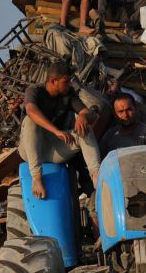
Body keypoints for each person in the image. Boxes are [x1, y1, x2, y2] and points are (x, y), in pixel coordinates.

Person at [19, 62, 100, 199]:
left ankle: (97, 176)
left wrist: (84, 117)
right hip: (31, 150)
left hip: (55, 149)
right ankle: (37, 178)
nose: (69, 85)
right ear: (53, 81)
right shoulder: (35, 90)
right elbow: (31, 111)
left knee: (83, 126)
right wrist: (56, 131)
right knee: (30, 121)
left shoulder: (68, 93)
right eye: (66, 82)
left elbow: (90, 114)